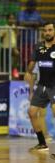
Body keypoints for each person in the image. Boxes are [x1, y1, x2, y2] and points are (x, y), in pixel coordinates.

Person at [24, 22, 55, 152]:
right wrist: (31, 91)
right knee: (31, 112)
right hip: (42, 85)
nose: (47, 32)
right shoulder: (38, 47)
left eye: (50, 30)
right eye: (45, 30)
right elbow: (29, 71)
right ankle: (42, 143)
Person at [17, 0, 43, 72]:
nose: (33, 8)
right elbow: (21, 22)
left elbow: (41, 22)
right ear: (27, 6)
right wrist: (33, 24)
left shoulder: (36, 13)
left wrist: (38, 24)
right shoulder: (22, 13)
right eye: (31, 6)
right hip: (23, 41)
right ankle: (22, 74)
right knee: (23, 59)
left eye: (34, 6)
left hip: (33, 41)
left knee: (32, 59)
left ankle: (31, 74)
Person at [0, 13, 19, 78]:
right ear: (7, 19)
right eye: (10, 18)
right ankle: (4, 75)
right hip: (5, 47)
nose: (11, 20)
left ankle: (14, 69)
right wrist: (3, 35)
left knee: (17, 54)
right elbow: (1, 39)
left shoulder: (14, 27)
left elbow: (18, 35)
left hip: (13, 46)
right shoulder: (4, 27)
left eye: (13, 19)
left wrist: (16, 30)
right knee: (4, 63)